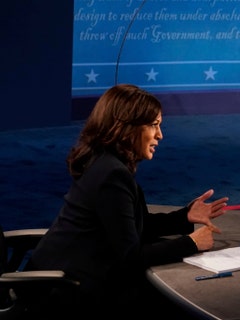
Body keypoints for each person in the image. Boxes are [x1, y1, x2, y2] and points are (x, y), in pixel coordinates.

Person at [25, 84, 229, 318]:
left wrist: (185, 216)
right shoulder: (112, 174)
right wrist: (191, 243)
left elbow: (130, 228)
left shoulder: (105, 162)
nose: (160, 135)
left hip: (70, 279)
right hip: (66, 293)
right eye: (154, 125)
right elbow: (130, 257)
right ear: (127, 128)